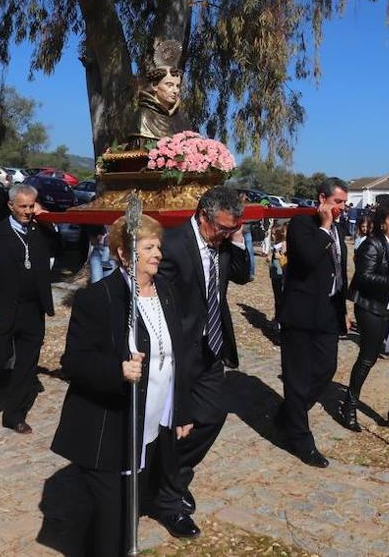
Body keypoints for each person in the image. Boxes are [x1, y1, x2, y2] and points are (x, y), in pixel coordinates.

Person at [50, 213, 194, 556]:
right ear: (125, 254)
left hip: (151, 423)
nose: (158, 253)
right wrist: (117, 370)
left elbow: (178, 357)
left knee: (126, 509)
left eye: (158, 246)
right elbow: (73, 361)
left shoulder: (167, 292)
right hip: (109, 427)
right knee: (112, 517)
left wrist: (182, 410)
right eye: (148, 247)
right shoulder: (98, 298)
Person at [153, 185, 252, 539]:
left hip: (213, 347)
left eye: (232, 228)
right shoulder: (174, 245)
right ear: (203, 216)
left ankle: (172, 478)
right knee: (175, 424)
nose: (226, 234)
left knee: (211, 417)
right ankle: (169, 499)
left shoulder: (223, 241)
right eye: (223, 228)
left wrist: (236, 237)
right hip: (180, 352)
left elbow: (241, 274)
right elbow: (162, 302)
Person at [276, 178, 350, 468]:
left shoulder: (338, 228)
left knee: (326, 368)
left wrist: (342, 307)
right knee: (296, 378)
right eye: (337, 202)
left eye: (344, 203)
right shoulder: (302, 224)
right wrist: (324, 227)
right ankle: (300, 439)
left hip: (329, 313)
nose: (342, 208)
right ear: (322, 199)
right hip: (301, 314)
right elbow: (306, 259)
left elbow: (339, 271)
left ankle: (290, 413)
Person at [0, 184, 56, 433]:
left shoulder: (39, 230)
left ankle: (14, 414)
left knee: (27, 365)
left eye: (32, 206)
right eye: (23, 206)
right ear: (11, 206)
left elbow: (58, 245)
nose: (28, 211)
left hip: (33, 309)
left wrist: (47, 219)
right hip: (3, 308)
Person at [340, 203, 389, 433]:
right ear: (382, 224)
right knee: (368, 357)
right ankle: (349, 406)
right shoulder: (373, 244)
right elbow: (363, 277)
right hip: (372, 309)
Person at [268, 223, 288, 328]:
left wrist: (280, 256)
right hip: (275, 274)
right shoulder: (275, 244)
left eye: (274, 234)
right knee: (277, 298)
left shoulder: (284, 245)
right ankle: (277, 319)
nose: (272, 236)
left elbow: (284, 259)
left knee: (281, 299)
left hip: (281, 274)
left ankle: (281, 320)